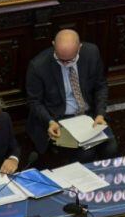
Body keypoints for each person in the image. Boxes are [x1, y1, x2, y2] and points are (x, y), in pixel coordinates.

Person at [25, 29, 119, 163]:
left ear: (79, 47)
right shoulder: (38, 66)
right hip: (59, 119)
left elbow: (101, 86)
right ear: (53, 45)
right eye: (60, 59)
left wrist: (100, 114)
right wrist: (50, 121)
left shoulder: (91, 53)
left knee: (111, 149)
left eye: (70, 60)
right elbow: (34, 102)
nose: (65, 63)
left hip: (89, 116)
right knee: (85, 154)